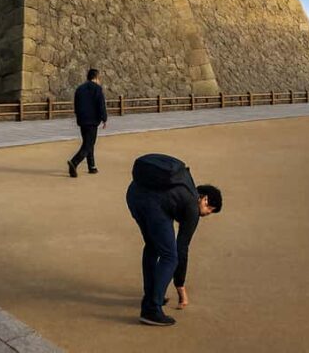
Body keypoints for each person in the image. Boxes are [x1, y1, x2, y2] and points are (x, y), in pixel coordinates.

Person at [126, 153, 222, 326]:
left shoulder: (182, 185)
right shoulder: (192, 207)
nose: (206, 215)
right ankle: (152, 309)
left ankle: (151, 296)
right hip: (153, 205)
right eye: (209, 211)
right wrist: (180, 286)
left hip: (134, 194)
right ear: (205, 200)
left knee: (152, 246)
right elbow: (182, 249)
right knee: (170, 256)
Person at [67, 68, 107, 177]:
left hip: (82, 120)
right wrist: (104, 118)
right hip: (92, 121)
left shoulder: (80, 89)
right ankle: (74, 162)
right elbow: (101, 105)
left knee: (88, 143)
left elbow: (76, 104)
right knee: (88, 144)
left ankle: (92, 166)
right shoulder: (97, 89)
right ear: (96, 77)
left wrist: (78, 116)